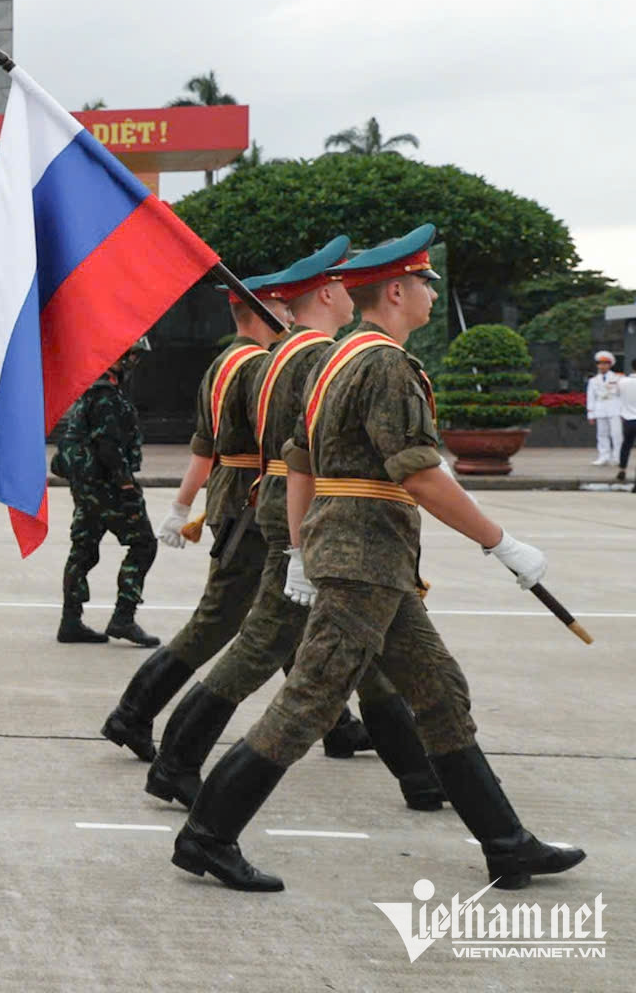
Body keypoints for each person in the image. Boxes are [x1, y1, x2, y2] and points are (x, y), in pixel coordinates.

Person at [175, 226, 583, 894]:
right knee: (310, 700)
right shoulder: (386, 365)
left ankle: (507, 846)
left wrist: (302, 549)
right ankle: (207, 834)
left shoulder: (336, 358)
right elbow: (418, 472)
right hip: (364, 560)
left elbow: (299, 461)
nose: (431, 293)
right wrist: (500, 542)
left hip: (368, 560)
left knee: (439, 690)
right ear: (396, 291)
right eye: (424, 282)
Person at [146, 239, 443, 811]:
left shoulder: (284, 353)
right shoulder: (313, 356)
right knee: (264, 646)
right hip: (309, 511)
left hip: (290, 505)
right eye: (339, 284)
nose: (349, 292)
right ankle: (177, 763)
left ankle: (422, 775)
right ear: (325, 294)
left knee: (364, 650)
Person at [101, 260, 303, 759]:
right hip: (251, 501)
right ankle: (133, 713)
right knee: (221, 620)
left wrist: (182, 505)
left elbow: (204, 447)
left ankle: (339, 723)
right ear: (261, 310)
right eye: (283, 307)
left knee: (283, 610)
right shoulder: (256, 367)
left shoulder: (224, 363)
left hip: (234, 495)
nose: (290, 316)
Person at [55, 339, 159, 645]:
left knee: (83, 550)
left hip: (87, 486)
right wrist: (126, 485)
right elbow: (108, 446)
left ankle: (70, 621)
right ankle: (123, 617)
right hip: (107, 487)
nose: (134, 363)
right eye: (132, 356)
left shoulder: (92, 389)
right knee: (144, 544)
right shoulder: (105, 396)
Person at [586, 352, 621, 466]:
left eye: (605, 364)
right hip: (600, 409)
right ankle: (603, 456)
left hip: (615, 409)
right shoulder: (593, 380)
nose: (602, 366)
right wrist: (591, 414)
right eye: (600, 364)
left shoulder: (618, 378)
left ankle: (617, 457)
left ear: (610, 365)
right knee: (601, 434)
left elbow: (622, 395)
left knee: (616, 434)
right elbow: (591, 397)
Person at [617, 366, 636, 482]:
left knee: (626, 446)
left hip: (628, 419)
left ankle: (622, 469)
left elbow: (617, 396)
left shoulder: (622, 381)